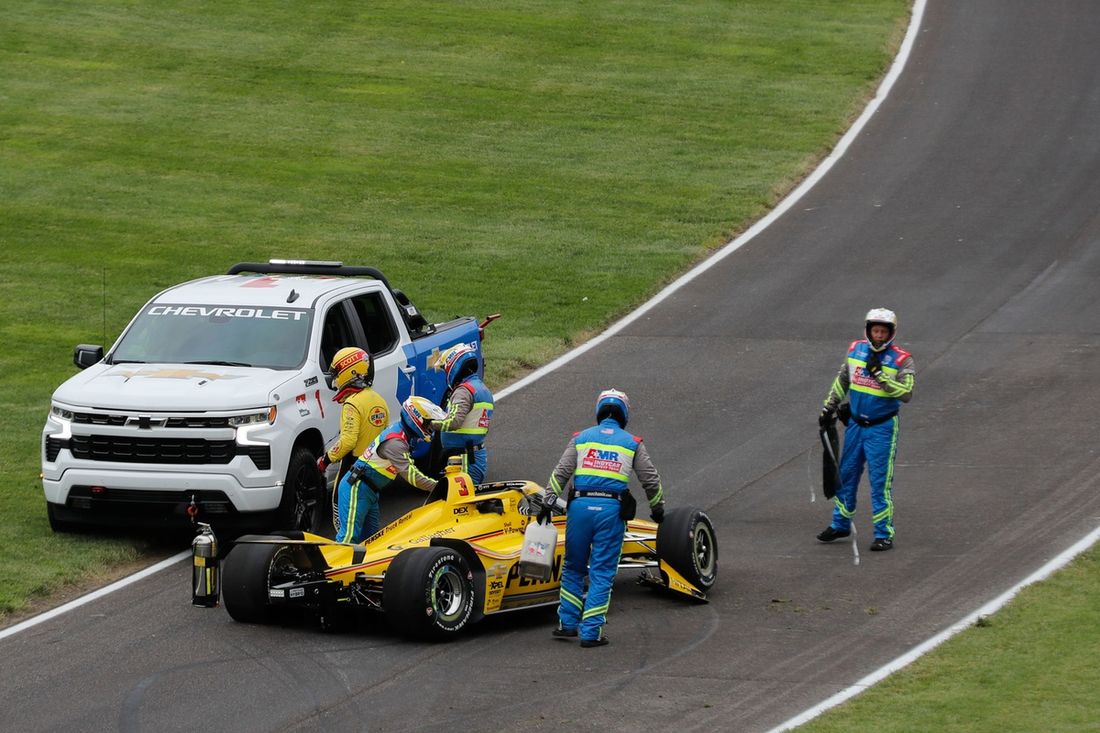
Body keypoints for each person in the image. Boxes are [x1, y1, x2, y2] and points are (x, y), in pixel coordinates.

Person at [544, 389, 666, 648]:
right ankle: (591, 633)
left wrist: (547, 502)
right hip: (611, 511)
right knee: (602, 571)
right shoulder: (632, 442)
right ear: (624, 413)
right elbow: (650, 480)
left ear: (599, 410)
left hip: (578, 508)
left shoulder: (581, 438)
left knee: (573, 567)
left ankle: (567, 624)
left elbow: (560, 473)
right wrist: (658, 510)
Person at [818, 308, 915, 552]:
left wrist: (880, 375)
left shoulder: (903, 359)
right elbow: (842, 379)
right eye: (875, 330)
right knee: (846, 475)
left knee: (879, 483)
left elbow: (906, 393)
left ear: (891, 333)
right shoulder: (855, 350)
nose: (879, 335)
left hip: (882, 428)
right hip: (855, 426)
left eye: (883, 332)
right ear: (868, 330)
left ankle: (884, 534)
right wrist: (828, 407)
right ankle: (840, 524)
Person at [334, 396, 446, 544]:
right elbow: (412, 476)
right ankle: (330, 567)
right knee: (348, 539)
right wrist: (440, 486)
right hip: (356, 488)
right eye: (427, 424)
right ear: (416, 419)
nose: (429, 428)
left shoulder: (401, 434)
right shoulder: (396, 443)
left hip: (369, 491)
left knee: (372, 541)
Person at [318, 347, 390, 528]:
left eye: (336, 373)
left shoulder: (351, 404)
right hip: (377, 468)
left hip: (355, 468)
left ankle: (347, 554)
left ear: (350, 371)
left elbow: (348, 441)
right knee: (371, 523)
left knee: (345, 523)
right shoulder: (378, 399)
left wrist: (325, 460)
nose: (334, 380)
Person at [430, 342, 494, 484]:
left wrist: (428, 423)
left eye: (446, 370)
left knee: (459, 502)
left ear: (454, 365)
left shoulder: (464, 391)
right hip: (472, 454)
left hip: (464, 458)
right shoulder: (481, 388)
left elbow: (454, 421)